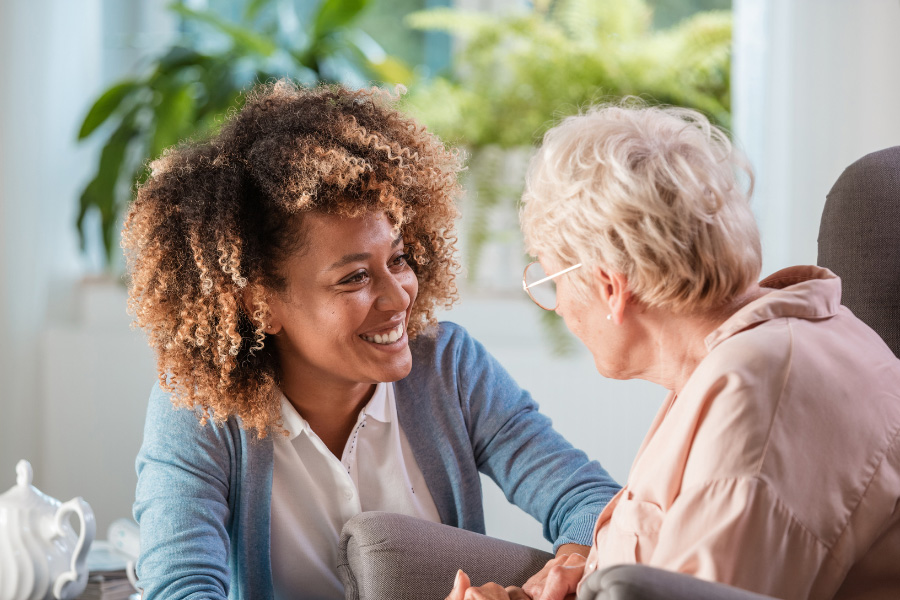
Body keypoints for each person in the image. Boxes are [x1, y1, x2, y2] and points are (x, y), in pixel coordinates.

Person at [124, 80, 619, 600]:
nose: (399, 296)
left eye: (398, 260)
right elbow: (179, 589)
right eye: (354, 278)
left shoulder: (450, 368)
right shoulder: (199, 407)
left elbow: (590, 502)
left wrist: (564, 571)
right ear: (260, 304)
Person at [448, 103, 900, 600]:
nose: (557, 308)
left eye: (552, 279)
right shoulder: (739, 358)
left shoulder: (756, 397)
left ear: (609, 287)